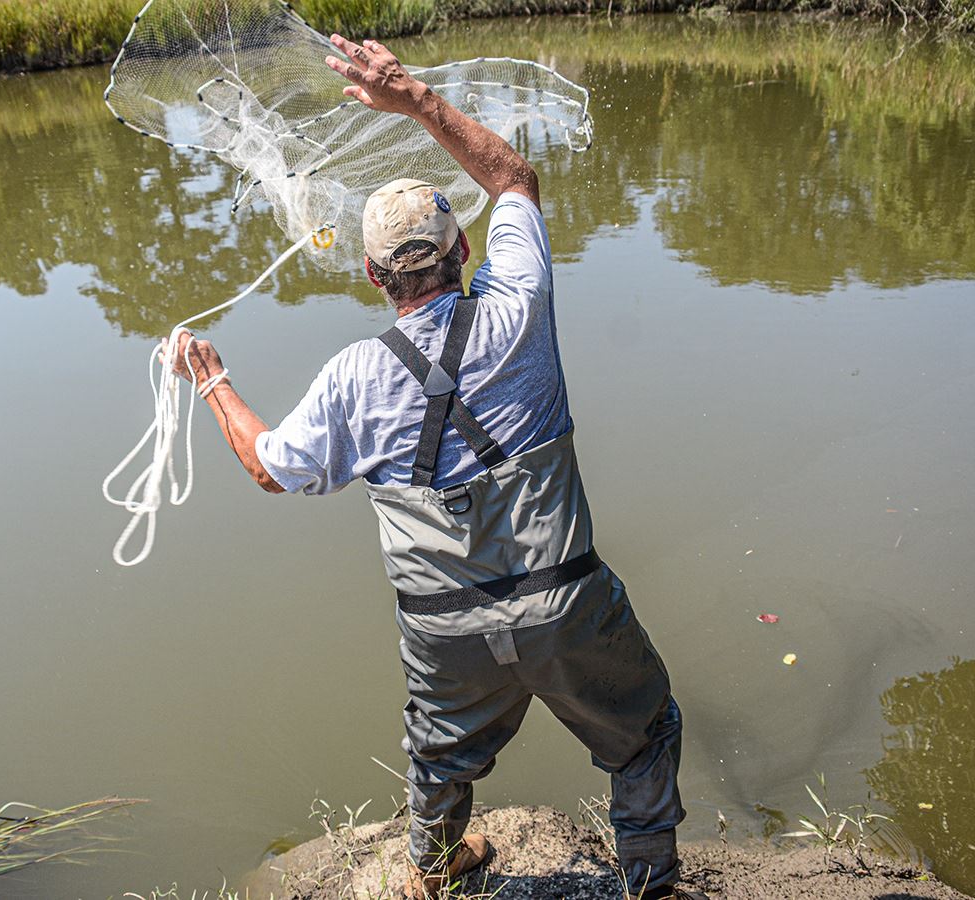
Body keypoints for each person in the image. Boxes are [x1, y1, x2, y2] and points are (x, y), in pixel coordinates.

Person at [168, 34, 700, 900]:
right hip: (566, 604)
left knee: (438, 753)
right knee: (643, 735)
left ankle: (436, 866)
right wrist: (413, 98)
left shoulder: (351, 377)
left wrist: (212, 381)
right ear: (464, 253)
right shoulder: (519, 310)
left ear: (372, 275)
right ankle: (651, 882)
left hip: (445, 630)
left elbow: (269, 467)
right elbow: (514, 179)